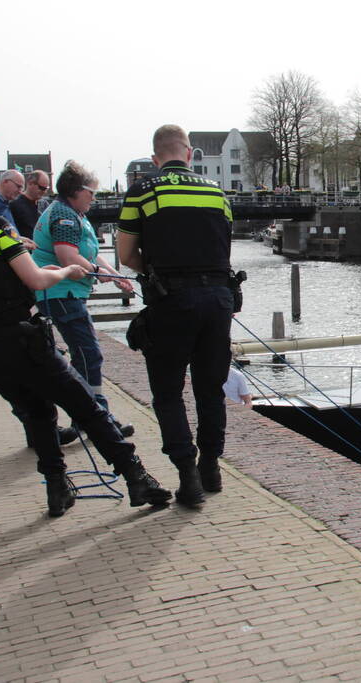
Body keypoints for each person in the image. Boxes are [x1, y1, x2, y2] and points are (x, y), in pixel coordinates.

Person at [0, 171, 170, 516]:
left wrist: (19, 249)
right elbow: (36, 278)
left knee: (38, 413)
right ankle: (136, 476)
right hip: (22, 339)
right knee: (86, 406)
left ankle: (57, 489)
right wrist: (64, 272)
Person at [116, 124, 235, 507]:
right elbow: (223, 244)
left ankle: (188, 477)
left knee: (168, 392)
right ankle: (211, 467)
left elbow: (125, 253)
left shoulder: (142, 191)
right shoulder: (217, 192)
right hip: (219, 299)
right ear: (189, 153)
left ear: (155, 158)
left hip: (173, 300)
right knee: (210, 389)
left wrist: (151, 273)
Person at [31, 160, 135, 441]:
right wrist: (100, 273)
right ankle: (96, 418)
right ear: (76, 190)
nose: (95, 197)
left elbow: (89, 253)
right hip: (61, 292)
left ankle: (91, 416)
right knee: (89, 354)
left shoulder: (73, 212)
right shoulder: (64, 216)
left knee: (84, 355)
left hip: (66, 292)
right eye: (92, 191)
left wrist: (115, 275)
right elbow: (67, 256)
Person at [9, 170, 50, 240]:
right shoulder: (15, 205)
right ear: (30, 183)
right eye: (41, 188)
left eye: (46, 189)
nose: (44, 192)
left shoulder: (44, 205)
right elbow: (10, 231)